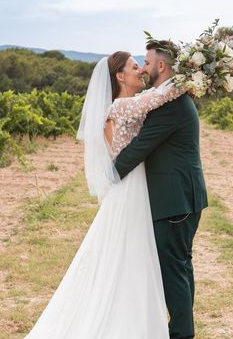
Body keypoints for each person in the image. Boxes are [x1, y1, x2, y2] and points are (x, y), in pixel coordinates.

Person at [25, 51, 183, 339]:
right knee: (131, 254)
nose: (141, 71)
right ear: (120, 76)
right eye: (135, 67)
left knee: (131, 255)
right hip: (132, 190)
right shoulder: (121, 106)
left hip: (136, 187)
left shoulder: (126, 106)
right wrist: (191, 77)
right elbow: (157, 98)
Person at [114, 40, 208, 339]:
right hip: (182, 198)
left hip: (175, 202)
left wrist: (109, 176)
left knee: (174, 272)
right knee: (182, 266)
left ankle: (182, 334)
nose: (144, 67)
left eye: (147, 61)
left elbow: (140, 148)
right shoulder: (171, 98)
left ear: (161, 66)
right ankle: (183, 330)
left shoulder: (172, 105)